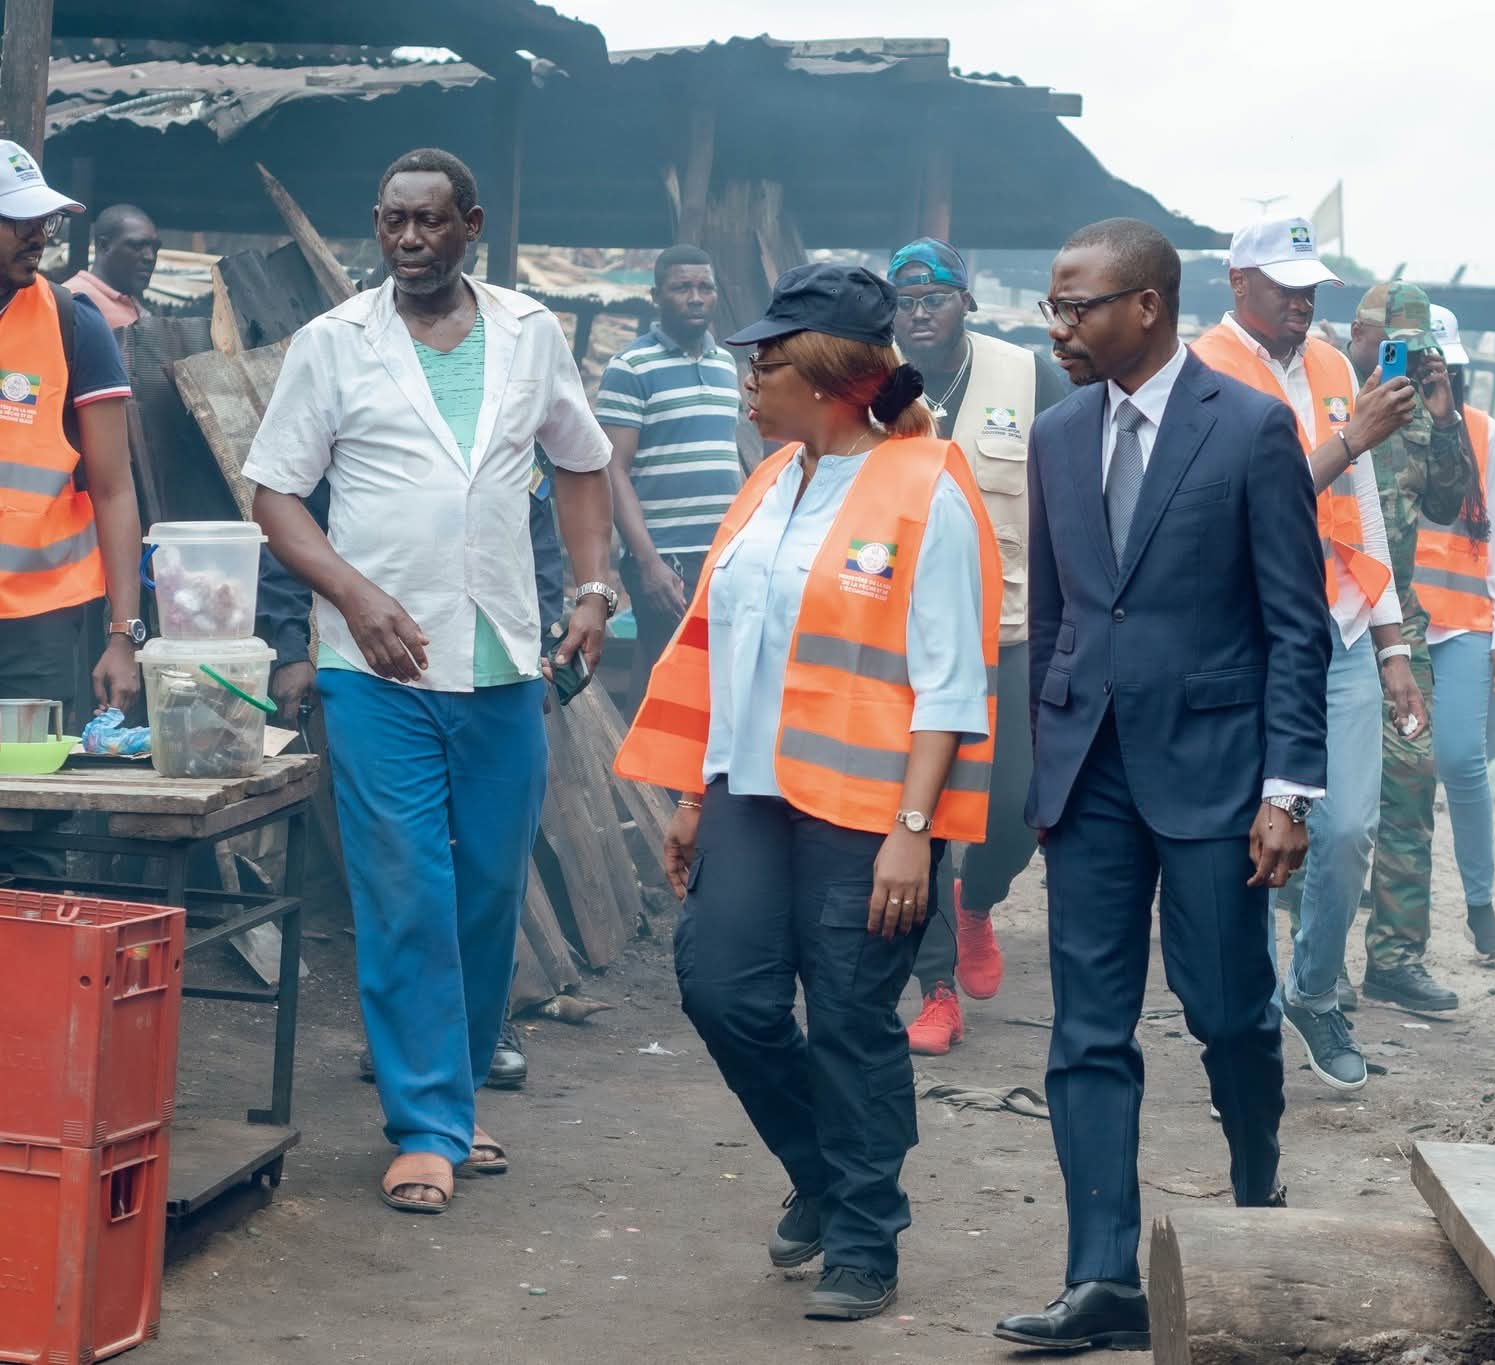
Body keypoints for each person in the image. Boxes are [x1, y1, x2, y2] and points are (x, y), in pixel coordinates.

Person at [614, 263, 1000, 1323]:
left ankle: (865, 1239)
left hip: (869, 812)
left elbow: (949, 681)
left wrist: (912, 833)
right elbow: (723, 652)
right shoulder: (769, 481)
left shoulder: (926, 485)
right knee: (720, 990)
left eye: (767, 362)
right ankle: (822, 1173)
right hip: (749, 793)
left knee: (847, 1017)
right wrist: (697, 796)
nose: (748, 377)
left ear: (827, 377)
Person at [243, 148, 616, 1216]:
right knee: (407, 889)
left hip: (499, 660)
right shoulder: (334, 343)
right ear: (377, 226)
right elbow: (276, 496)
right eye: (392, 221)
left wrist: (594, 589)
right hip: (378, 666)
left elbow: (581, 460)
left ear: (471, 226)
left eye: (430, 222)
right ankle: (425, 1127)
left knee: (488, 888)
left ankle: (452, 1095)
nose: (409, 240)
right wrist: (352, 597)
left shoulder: (529, 333)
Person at [993, 219, 1331, 1354]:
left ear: (1146, 305)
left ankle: (1254, 1197)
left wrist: (1287, 791)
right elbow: (1057, 616)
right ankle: (1101, 1276)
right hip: (1088, 774)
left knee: (1227, 1009)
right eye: (1052, 305)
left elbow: (1295, 626)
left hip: (1216, 776)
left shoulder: (1249, 428)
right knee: (1087, 1027)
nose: (1058, 326)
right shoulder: (1055, 433)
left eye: (1076, 305)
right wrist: (1048, 764)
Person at [1187, 216, 1420, 1093]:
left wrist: (1392, 641)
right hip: (1245, 631)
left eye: (1311, 286)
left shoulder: (1332, 366)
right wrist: (1354, 436)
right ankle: (1242, 1032)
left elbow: (1362, 504)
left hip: (1343, 625)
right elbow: (1230, 505)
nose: (1302, 300)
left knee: (1348, 827)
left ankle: (1313, 990)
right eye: (1285, 285)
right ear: (1237, 280)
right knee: (1246, 839)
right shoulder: (1201, 372)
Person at [256, 454, 569, 1090]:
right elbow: (292, 531)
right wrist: (289, 650)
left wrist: (540, 652)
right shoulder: (357, 421)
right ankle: (409, 1038)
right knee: (403, 874)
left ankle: (480, 1026)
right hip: (381, 682)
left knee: (487, 875)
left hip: (490, 683)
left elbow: (534, 544)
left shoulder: (503, 421)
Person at [886, 235, 1067, 1056]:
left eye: (935, 298)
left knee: (1018, 808)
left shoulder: (1027, 374)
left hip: (1011, 629)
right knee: (915, 813)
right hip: (903, 637)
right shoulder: (871, 378)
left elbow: (1070, 484)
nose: (919, 314)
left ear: (967, 301)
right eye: (905, 302)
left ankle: (978, 902)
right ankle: (937, 988)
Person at [1345, 281, 1475, 1014]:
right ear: (1357, 334)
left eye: (1415, 347)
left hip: (1402, 625)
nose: (1399, 356)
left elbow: (1451, 504)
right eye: (1388, 343)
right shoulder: (1324, 393)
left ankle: (1395, 959)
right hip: (1328, 617)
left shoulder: (1422, 413)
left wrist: (1443, 412)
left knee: (1412, 782)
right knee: (1317, 798)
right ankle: (1314, 961)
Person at [0, 142, 142, 736]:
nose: (38, 236)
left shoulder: (73, 324)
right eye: (20, 222)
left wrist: (124, 635)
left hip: (38, 631)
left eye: (46, 222)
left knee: (28, 788)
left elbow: (114, 489)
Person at [595, 245, 743, 708]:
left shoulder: (726, 365)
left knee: (691, 671)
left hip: (722, 550)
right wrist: (648, 562)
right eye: (682, 288)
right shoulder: (630, 367)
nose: (695, 297)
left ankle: (642, 754)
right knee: (675, 672)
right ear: (656, 296)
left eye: (705, 287)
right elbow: (613, 470)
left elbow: (725, 455)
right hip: (666, 554)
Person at [1416, 305, 1495, 960]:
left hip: (1464, 623)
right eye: (1426, 370)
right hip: (1389, 621)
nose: (1437, 381)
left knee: (1459, 757)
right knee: (1391, 773)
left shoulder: (1483, 432)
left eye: (1445, 370)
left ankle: (1479, 902)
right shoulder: (1372, 430)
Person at [66, 204, 157, 331]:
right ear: (104, 246)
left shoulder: (132, 304)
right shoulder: (73, 300)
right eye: (137, 246)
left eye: (155, 248)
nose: (150, 257)